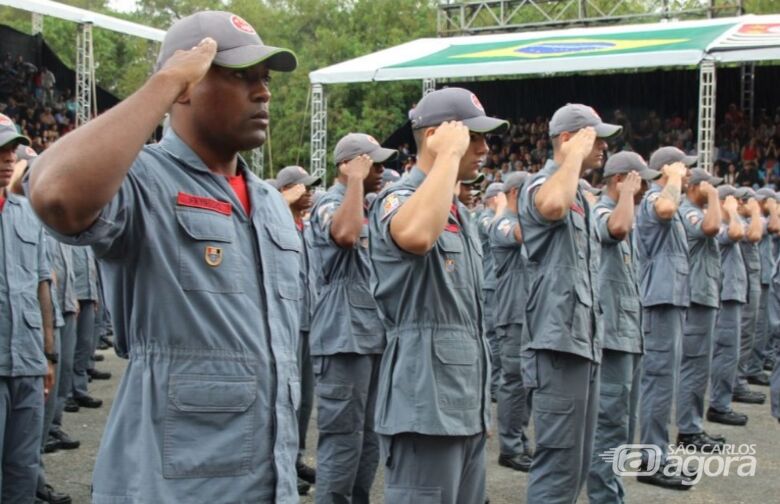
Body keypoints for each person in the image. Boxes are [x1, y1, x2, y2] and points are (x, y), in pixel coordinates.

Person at [27, 11, 303, 503]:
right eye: (240, 77)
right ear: (185, 87)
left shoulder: (269, 204)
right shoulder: (144, 181)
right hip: (172, 481)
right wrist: (165, 81)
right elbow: (55, 196)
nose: (262, 93)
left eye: (263, 79)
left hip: (268, 478)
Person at [369, 87, 506, 503]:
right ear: (435, 137)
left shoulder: (458, 212)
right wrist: (446, 156)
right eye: (473, 137)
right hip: (423, 407)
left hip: (462, 406)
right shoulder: (400, 198)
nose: (483, 148)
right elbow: (414, 234)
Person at [519, 103, 619, 502]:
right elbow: (552, 207)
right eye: (595, 138)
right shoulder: (541, 185)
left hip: (582, 341)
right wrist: (574, 157)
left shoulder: (579, 191)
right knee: (558, 466)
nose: (603, 148)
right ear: (567, 139)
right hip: (556, 345)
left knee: (577, 464)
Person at [308, 133, 395, 503]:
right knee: (342, 438)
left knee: (371, 435)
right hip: (343, 336)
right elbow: (344, 235)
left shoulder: (371, 204)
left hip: (374, 333)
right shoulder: (330, 202)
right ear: (347, 165)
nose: (379, 169)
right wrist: (356, 182)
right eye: (370, 162)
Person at [587, 151, 659, 502]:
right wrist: (628, 195)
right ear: (620, 180)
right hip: (611, 340)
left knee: (622, 429)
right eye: (639, 180)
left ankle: (613, 494)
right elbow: (615, 228)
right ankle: (604, 497)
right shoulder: (604, 211)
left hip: (626, 338)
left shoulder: (623, 212)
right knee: (608, 427)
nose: (645, 187)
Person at [0, 113, 57, 502]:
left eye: (10, 152)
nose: (8, 160)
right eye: (0, 152)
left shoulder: (26, 214)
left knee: (24, 467)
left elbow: (42, 285)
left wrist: (48, 354)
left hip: (27, 361)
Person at [635, 146, 695, 489]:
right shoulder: (655, 199)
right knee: (658, 383)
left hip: (671, 302)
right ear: (666, 171)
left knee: (664, 383)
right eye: (681, 168)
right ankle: (651, 460)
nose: (686, 174)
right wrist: (671, 178)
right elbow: (667, 207)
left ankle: (659, 454)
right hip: (659, 305)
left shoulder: (668, 202)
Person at [275, 164, 323, 495]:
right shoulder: (276, 221)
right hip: (285, 323)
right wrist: (280, 202)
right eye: (304, 187)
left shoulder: (303, 226)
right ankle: (280, 466)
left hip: (307, 322)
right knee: (284, 399)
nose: (310, 193)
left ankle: (294, 459)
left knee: (304, 400)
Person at [676, 167, 727, 450]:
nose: (713, 191)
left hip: (703, 295)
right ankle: (688, 431)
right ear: (695, 187)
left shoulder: (698, 211)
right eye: (708, 186)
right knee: (694, 366)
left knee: (699, 366)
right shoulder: (689, 212)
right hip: (695, 298)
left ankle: (692, 426)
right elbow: (712, 228)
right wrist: (716, 199)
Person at [489, 171, 533, 472]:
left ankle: (518, 436)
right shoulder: (504, 221)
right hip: (512, 311)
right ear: (516, 193)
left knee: (526, 381)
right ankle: (510, 446)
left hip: (528, 310)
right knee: (514, 380)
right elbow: (522, 235)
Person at [708, 186, 751, 426]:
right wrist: (732, 211)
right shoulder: (719, 225)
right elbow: (736, 232)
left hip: (732, 294)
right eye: (735, 199)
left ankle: (721, 401)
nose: (740, 204)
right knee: (725, 352)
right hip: (725, 296)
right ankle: (718, 405)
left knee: (730, 352)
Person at [733, 188, 768, 405]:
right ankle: (736, 384)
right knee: (741, 336)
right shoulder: (736, 220)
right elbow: (755, 234)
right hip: (741, 287)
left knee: (749, 334)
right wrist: (755, 211)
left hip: (749, 283)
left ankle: (740, 380)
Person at [745, 187, 780, 387]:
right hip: (759, 278)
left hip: (765, 277)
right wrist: (772, 209)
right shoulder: (759, 219)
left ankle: (757, 364)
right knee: (759, 329)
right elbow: (775, 225)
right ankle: (754, 368)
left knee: (764, 328)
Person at [478, 182, 504, 401]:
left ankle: (498, 385)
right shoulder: (485, 217)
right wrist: (503, 208)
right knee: (493, 339)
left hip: (501, 285)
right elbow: (495, 230)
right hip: (490, 286)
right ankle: (493, 387)